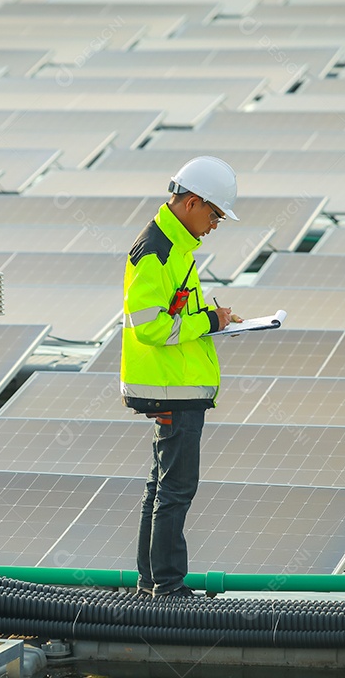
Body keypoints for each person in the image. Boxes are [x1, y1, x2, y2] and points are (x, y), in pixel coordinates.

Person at [121, 155, 240, 599]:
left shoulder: (172, 247)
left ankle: (150, 584)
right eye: (214, 214)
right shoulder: (156, 251)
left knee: (162, 489)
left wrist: (211, 317)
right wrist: (207, 322)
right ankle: (167, 588)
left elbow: (174, 314)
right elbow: (149, 326)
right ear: (192, 202)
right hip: (171, 389)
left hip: (176, 385)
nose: (214, 225)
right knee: (175, 490)